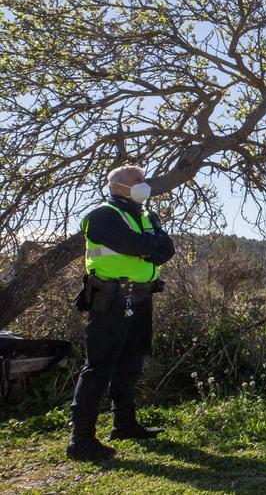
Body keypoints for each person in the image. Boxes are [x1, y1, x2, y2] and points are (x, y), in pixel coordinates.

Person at [66, 165, 175, 461]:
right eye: (136, 180)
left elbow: (167, 249)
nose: (143, 184)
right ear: (117, 186)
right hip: (111, 298)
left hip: (141, 296)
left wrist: (146, 248)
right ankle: (81, 440)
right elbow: (133, 244)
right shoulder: (101, 216)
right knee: (99, 366)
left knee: (131, 362)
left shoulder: (147, 216)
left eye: (143, 179)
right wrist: (146, 247)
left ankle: (125, 425)